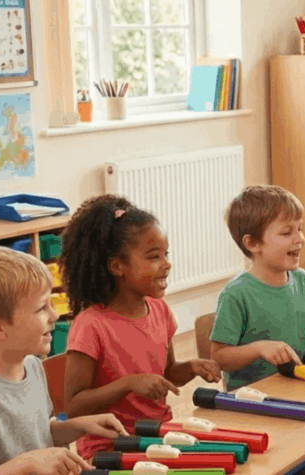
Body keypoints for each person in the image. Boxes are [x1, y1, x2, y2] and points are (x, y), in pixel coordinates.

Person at [59, 195, 222, 459]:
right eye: (154, 257)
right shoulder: (90, 326)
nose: (167, 264)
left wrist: (191, 367)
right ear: (117, 266)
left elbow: (166, 373)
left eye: (165, 254)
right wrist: (127, 384)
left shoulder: (159, 311)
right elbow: (75, 406)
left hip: (156, 434)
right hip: (108, 448)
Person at [0, 246, 127, 474]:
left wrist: (78, 426)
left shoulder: (32, 366)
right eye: (41, 309)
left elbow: (38, 433)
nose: (55, 315)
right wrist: (27, 464)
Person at [209, 185, 305, 391]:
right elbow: (219, 358)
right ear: (252, 243)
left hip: (299, 388)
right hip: (253, 401)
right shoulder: (235, 294)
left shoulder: (302, 280)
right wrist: (259, 349)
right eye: (287, 232)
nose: (300, 239)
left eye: (300, 229)